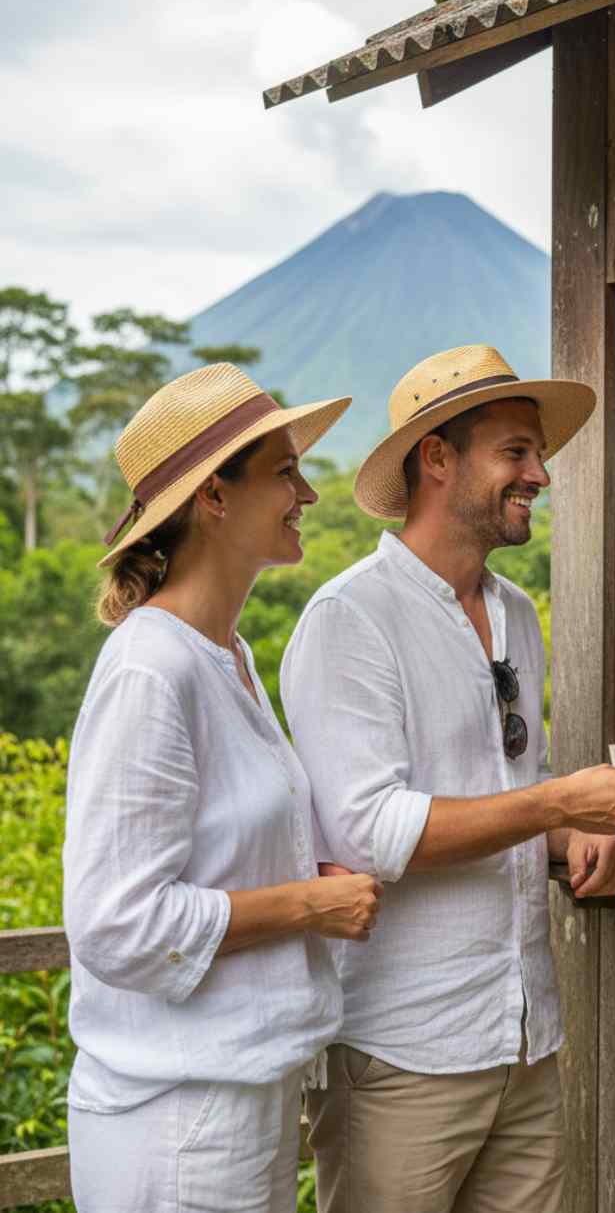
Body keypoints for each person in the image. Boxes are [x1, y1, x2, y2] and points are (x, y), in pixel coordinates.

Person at [281, 344, 615, 1213]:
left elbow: (509, 786)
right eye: (516, 453)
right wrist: (558, 800)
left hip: (525, 1035)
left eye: (539, 454)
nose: (541, 475)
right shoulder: (350, 618)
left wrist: (584, 837)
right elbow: (370, 832)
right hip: (405, 1049)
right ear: (438, 459)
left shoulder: (516, 613)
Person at [63, 363, 383, 1213]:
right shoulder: (151, 667)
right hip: (178, 1122)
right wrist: (309, 909)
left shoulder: (227, 657)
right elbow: (113, 923)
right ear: (213, 496)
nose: (306, 492)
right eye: (283, 470)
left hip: (239, 1102)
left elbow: (219, 858)